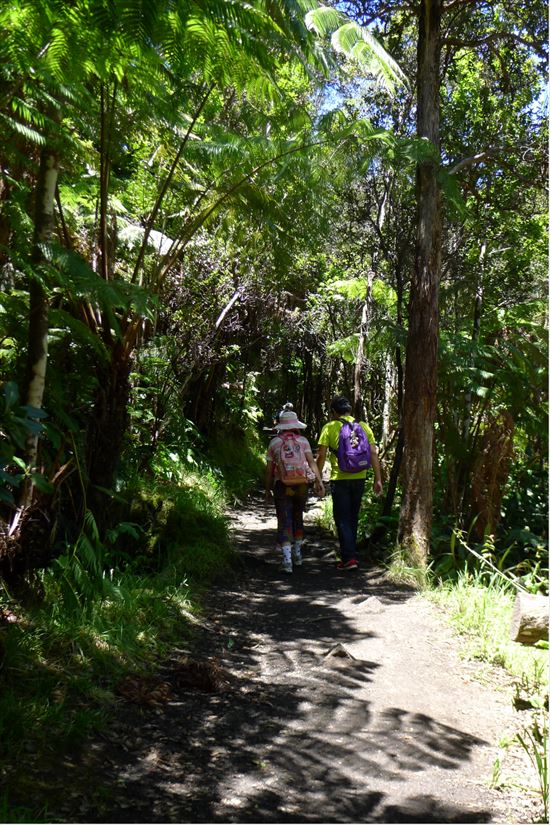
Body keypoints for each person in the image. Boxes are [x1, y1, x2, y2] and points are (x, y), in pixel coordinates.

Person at [316, 396, 382, 570]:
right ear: (349, 410)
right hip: (360, 477)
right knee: (353, 517)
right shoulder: (364, 426)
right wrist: (378, 478)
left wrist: (317, 479)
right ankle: (351, 554)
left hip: (340, 478)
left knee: (342, 518)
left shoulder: (329, 427)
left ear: (333, 412)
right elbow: (373, 453)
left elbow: (321, 456)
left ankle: (349, 558)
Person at [265, 409, 325, 573]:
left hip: (282, 485)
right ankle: (298, 556)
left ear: (281, 426)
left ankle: (287, 561)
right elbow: (312, 463)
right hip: (301, 485)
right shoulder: (303, 441)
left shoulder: (275, 443)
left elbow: (270, 470)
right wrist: (319, 481)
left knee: (284, 520)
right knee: (298, 517)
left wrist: (267, 489)